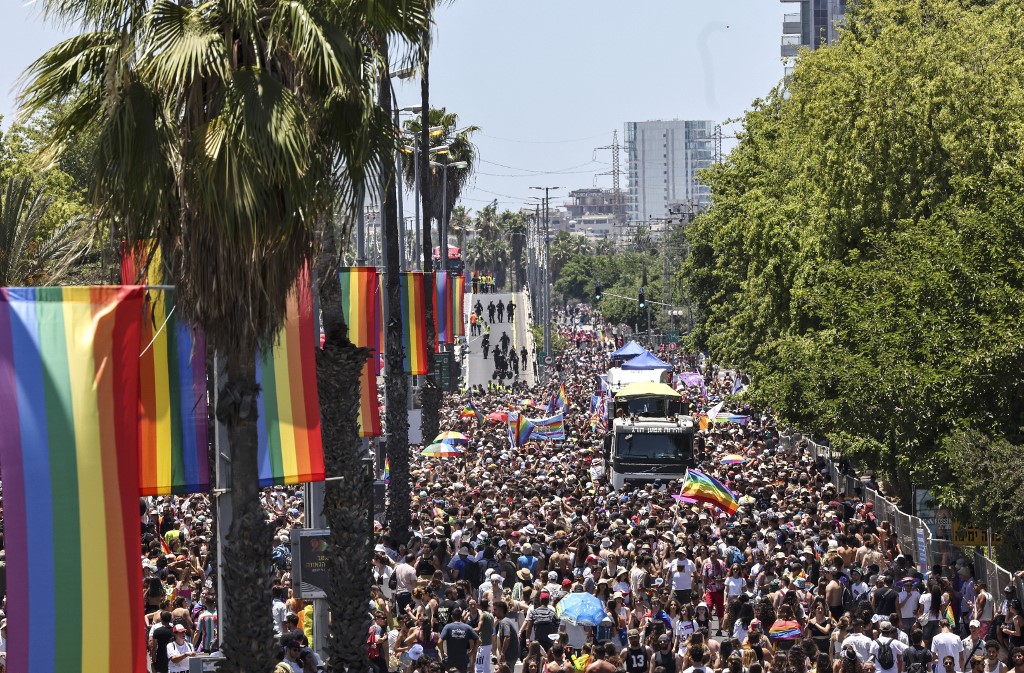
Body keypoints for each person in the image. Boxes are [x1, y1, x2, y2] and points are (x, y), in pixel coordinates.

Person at [440, 608, 480, 673]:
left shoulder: (448, 627)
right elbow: (479, 641)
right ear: (461, 616)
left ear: (452, 616)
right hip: (463, 660)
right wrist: (472, 652)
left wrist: (442, 652)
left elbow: (439, 641)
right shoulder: (467, 627)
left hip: (450, 659)